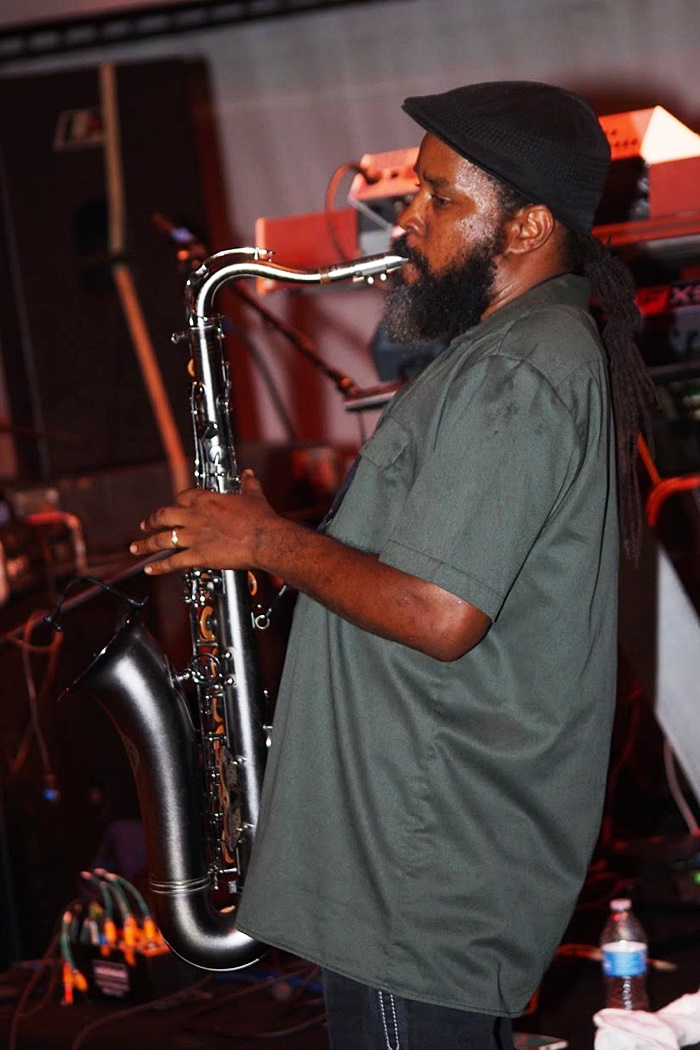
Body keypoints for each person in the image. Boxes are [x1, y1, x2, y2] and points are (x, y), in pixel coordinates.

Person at [129, 81, 657, 1049]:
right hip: (411, 871)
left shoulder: (521, 367)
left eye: (439, 198)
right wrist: (276, 536)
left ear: (528, 226)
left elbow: (440, 613)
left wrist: (266, 542)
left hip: (416, 882)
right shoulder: (509, 354)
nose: (406, 220)